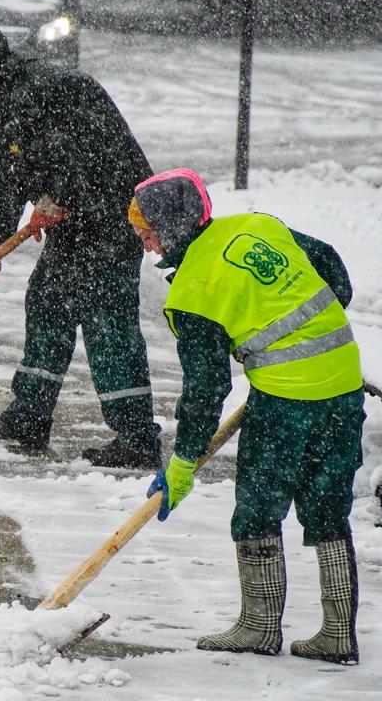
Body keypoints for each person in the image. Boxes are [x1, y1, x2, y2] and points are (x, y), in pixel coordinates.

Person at [133, 168, 365, 665]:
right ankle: (339, 632)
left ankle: (259, 626)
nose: (145, 243)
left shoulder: (195, 290)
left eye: (147, 230)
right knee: (328, 505)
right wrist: (302, 330)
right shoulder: (258, 225)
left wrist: (183, 463)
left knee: (259, 506)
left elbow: (206, 389)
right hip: (344, 379)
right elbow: (334, 274)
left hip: (286, 398)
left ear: (172, 227)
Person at [0, 20, 161, 468]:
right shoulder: (12, 98)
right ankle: (29, 415)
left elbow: (88, 156)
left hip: (113, 221)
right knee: (47, 304)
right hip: (78, 225)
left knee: (108, 325)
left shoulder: (37, 94)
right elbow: (7, 181)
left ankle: (137, 437)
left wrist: (56, 200)